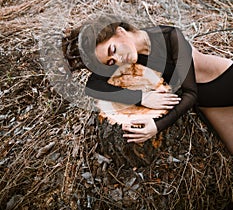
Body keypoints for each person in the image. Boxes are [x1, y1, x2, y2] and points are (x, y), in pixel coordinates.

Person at [63, 14, 233, 154]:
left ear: (120, 31)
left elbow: (190, 93)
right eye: (110, 62)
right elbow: (92, 86)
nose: (117, 60)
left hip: (225, 80)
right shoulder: (127, 56)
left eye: (112, 50)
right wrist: (141, 97)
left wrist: (156, 126)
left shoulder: (170, 36)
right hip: (209, 105)